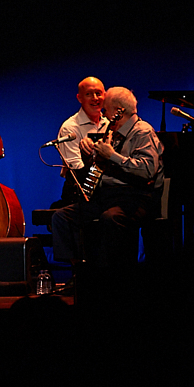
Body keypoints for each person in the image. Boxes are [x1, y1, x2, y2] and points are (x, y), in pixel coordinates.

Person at [50, 86, 164, 268]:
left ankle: (114, 275)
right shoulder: (113, 133)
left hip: (136, 198)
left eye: (106, 109)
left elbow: (147, 170)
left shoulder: (142, 131)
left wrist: (112, 155)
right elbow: (98, 169)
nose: (104, 113)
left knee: (110, 218)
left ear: (119, 111)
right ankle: (81, 270)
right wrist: (87, 155)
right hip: (108, 197)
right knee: (62, 217)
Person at [53, 77, 109, 206]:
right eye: (89, 94)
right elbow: (76, 169)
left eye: (98, 93)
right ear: (79, 98)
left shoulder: (110, 123)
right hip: (78, 193)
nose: (95, 98)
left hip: (106, 190)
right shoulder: (70, 127)